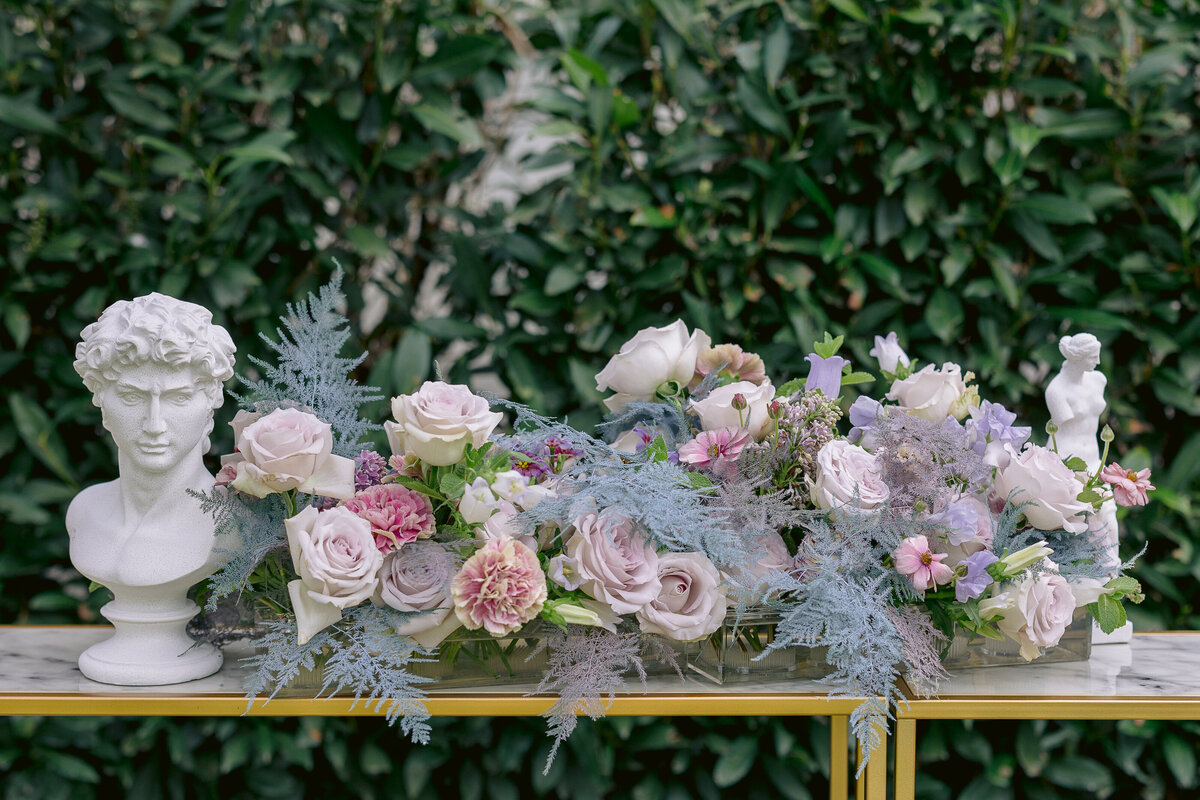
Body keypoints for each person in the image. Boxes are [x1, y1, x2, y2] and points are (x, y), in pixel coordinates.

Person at [67, 293, 236, 684]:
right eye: (131, 397)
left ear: (211, 400)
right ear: (100, 398)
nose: (155, 424)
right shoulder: (84, 512)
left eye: (178, 397)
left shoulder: (233, 524)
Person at [1045, 333, 1106, 471]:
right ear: (1078, 357)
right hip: (1065, 459)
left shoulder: (1098, 380)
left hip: (1094, 457)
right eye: (1093, 357)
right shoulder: (1056, 391)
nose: (1098, 362)